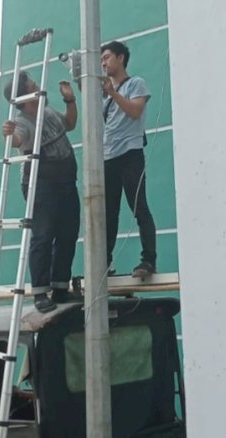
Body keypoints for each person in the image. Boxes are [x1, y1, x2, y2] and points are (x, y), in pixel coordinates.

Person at [2, 71, 80, 313]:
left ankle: (59, 287)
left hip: (66, 180)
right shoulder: (23, 121)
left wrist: (70, 100)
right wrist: (10, 134)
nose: (38, 87)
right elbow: (18, 139)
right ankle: (40, 292)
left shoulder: (47, 110)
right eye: (33, 85)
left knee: (68, 234)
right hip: (41, 183)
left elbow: (70, 124)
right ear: (25, 98)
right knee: (43, 235)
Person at [101, 40, 157, 278]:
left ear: (121, 57)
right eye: (102, 59)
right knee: (108, 213)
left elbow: (135, 112)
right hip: (108, 157)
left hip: (130, 154)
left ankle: (148, 261)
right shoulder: (104, 96)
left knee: (139, 207)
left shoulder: (136, 83)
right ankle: (104, 263)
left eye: (107, 57)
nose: (103, 62)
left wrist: (113, 93)